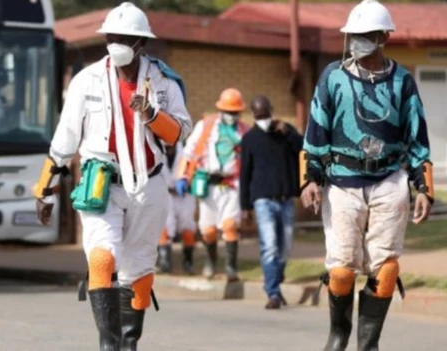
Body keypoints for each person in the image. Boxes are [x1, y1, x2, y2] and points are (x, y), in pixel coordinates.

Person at [32, 2, 192, 350]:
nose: (115, 43)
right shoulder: (86, 80)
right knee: (102, 257)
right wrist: (46, 189)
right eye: (111, 37)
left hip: (148, 185)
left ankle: (129, 343)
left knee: (139, 270)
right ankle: (108, 343)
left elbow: (180, 133)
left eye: (124, 37)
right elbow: (65, 139)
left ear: (141, 43)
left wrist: (152, 114)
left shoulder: (163, 81)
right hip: (101, 183)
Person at [300, 1, 433, 350]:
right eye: (353, 36)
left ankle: (368, 343)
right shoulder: (333, 77)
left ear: (384, 37)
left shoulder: (403, 81)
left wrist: (424, 188)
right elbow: (315, 131)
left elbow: (417, 137)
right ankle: (338, 333)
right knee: (342, 270)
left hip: (389, 180)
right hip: (342, 181)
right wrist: (311, 178)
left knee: (386, 269)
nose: (357, 42)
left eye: (366, 36)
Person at [176, 88, 248, 281]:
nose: (232, 116)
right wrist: (182, 177)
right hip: (208, 185)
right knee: (208, 230)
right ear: (221, 109)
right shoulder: (206, 126)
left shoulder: (244, 130)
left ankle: (231, 268)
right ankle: (211, 262)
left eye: (236, 112)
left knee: (230, 226)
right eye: (229, 112)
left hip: (232, 184)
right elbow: (189, 152)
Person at [239, 95, 303, 309]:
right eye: (258, 116)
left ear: (271, 111)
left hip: (286, 199)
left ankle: (276, 276)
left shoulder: (286, 132)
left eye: (265, 115)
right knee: (270, 246)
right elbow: (245, 174)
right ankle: (273, 293)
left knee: (286, 246)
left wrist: (290, 134)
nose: (263, 119)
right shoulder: (249, 139)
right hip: (262, 200)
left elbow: (303, 148)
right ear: (253, 115)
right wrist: (245, 206)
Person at [156, 142, 197, 275]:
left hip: (185, 194)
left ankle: (188, 262)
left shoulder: (186, 146)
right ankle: (164, 262)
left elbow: (196, 165)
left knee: (188, 228)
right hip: (164, 193)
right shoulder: (154, 146)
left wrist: (189, 181)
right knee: (164, 226)